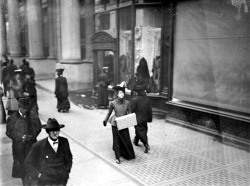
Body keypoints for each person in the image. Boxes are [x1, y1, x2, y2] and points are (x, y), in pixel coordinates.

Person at [25, 118, 73, 186]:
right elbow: (28, 162)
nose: (55, 133)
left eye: (57, 130)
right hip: (46, 181)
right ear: (48, 132)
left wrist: (67, 170)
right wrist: (38, 175)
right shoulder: (38, 145)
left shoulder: (64, 141)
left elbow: (69, 157)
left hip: (61, 180)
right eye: (52, 131)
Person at [6, 97, 42, 186]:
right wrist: (20, 137)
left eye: (27, 108)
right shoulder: (12, 118)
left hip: (31, 146)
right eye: (23, 108)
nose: (25, 110)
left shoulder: (33, 116)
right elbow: (9, 132)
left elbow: (38, 127)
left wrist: (32, 136)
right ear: (19, 107)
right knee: (23, 170)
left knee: (33, 167)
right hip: (19, 148)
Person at [103, 84, 135, 164]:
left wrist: (130, 119)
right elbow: (109, 112)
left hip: (123, 123)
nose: (122, 94)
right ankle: (117, 157)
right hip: (115, 123)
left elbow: (130, 113)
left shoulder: (127, 103)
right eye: (120, 93)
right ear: (117, 94)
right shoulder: (113, 103)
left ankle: (127, 154)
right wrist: (105, 120)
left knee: (126, 138)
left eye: (123, 93)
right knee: (116, 140)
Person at [131, 86, 152, 153]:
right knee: (142, 130)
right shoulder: (147, 99)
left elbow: (132, 110)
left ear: (137, 92)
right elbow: (150, 110)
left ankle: (146, 144)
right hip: (144, 118)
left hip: (137, 118)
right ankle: (136, 141)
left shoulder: (135, 100)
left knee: (140, 131)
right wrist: (149, 118)